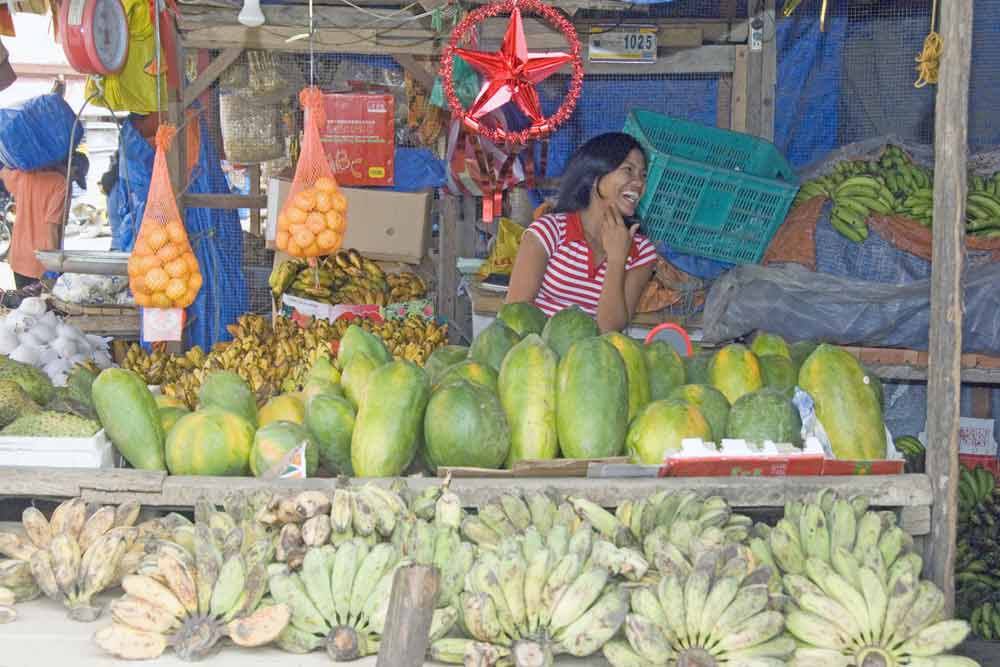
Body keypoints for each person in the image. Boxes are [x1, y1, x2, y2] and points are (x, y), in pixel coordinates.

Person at [506, 132, 657, 333]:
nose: (639, 183)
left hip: (593, 362)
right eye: (628, 170)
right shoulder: (549, 232)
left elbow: (609, 330)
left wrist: (617, 260)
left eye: (643, 175)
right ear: (595, 179)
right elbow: (513, 317)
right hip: (537, 357)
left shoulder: (642, 251)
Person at [0, 152, 89, 290]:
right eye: (75, 177)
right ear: (73, 168)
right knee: (44, 309)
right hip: (42, 264)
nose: (72, 181)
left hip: (19, 258)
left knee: (23, 309)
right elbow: (52, 227)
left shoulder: (27, 174)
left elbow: (5, 172)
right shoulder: (61, 184)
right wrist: (55, 266)